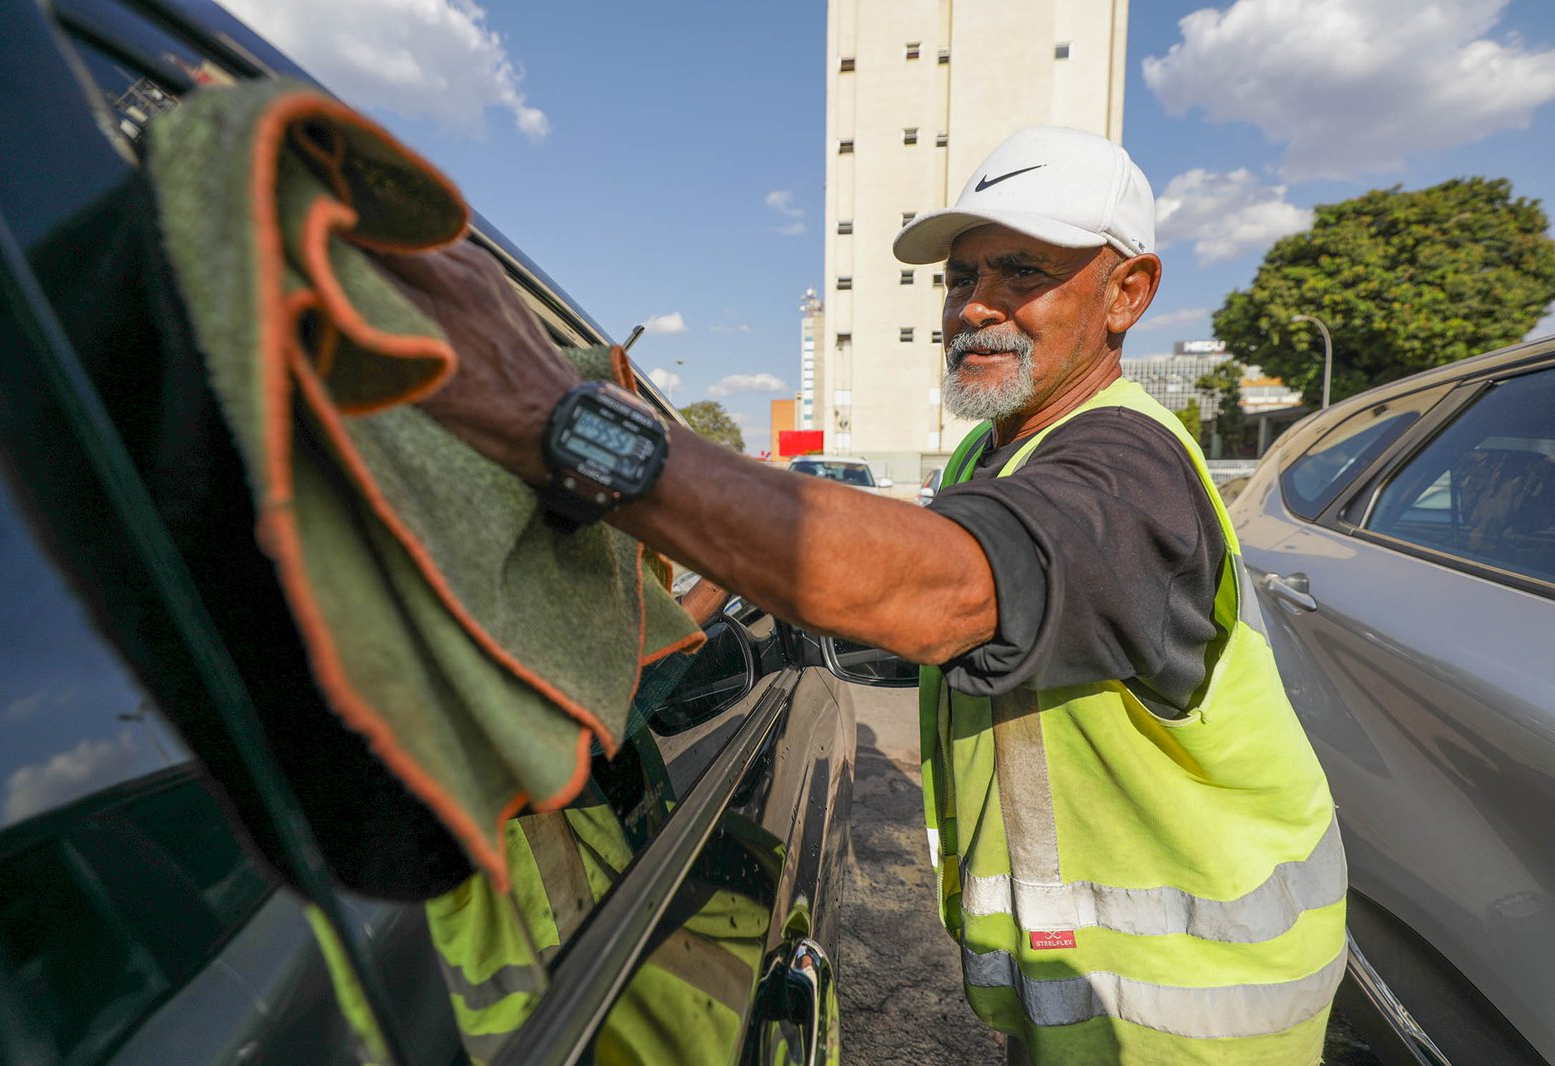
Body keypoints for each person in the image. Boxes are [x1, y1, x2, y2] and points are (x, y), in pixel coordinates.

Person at [409, 125, 1347, 1064]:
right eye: (959, 276)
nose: (975, 308)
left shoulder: (1125, 465)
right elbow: (912, 603)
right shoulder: (1001, 447)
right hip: (1085, 993)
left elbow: (940, 592)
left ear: (1127, 293)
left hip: (1197, 1012)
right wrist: (667, 620)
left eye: (1021, 273)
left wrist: (578, 433)